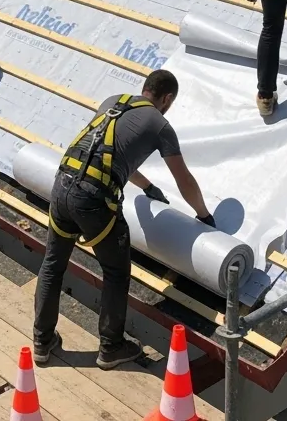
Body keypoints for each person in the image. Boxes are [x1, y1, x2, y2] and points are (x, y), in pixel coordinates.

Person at [33, 69, 213, 371]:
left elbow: (107, 154)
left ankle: (42, 342)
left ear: (145, 88)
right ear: (167, 99)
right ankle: (111, 347)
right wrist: (204, 215)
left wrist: (146, 187)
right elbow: (183, 179)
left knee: (53, 264)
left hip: (62, 185)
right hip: (92, 199)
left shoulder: (113, 102)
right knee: (116, 271)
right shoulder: (160, 125)